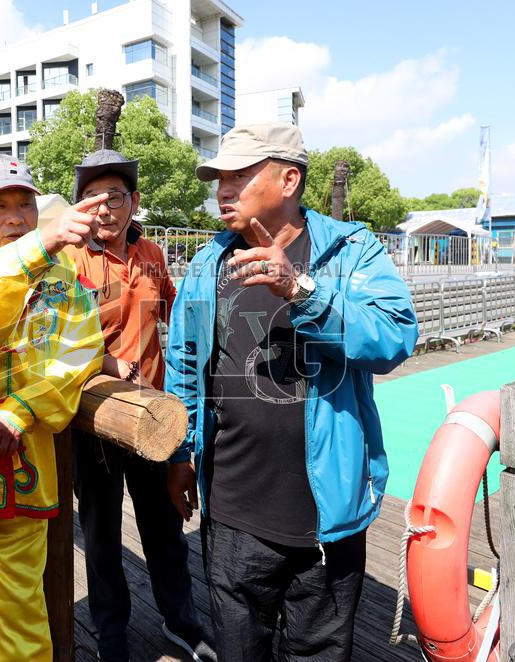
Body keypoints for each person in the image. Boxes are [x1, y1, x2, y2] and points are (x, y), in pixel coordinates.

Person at [165, 123, 418, 661]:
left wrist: (301, 291)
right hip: (232, 512)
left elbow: (394, 338)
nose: (223, 191)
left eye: (239, 176)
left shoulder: (351, 251)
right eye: (219, 179)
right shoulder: (208, 263)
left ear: (288, 180)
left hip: (328, 517)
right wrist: (181, 453)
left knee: (318, 652)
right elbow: (185, 362)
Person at [0, 156, 104, 662]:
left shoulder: (61, 272)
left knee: (21, 610)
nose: (15, 218)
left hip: (23, 468)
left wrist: (22, 409)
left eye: (25, 204)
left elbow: (81, 349)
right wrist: (37, 248)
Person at [64, 150, 215, 662]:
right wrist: (106, 361)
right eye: (91, 198)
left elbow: (179, 313)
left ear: (134, 201)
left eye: (114, 198)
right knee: (101, 535)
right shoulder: (69, 258)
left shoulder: (151, 252)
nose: (103, 209)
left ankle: (180, 621)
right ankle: (111, 634)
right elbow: (53, 339)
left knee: (165, 527)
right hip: (94, 419)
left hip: (153, 415)